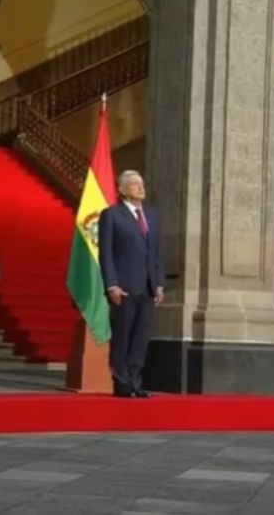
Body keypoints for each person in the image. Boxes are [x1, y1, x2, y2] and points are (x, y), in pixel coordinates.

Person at [98, 170, 165, 398]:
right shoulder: (111, 215)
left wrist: (158, 283)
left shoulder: (152, 216)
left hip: (147, 287)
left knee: (140, 337)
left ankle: (136, 380)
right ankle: (121, 381)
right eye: (134, 184)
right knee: (122, 336)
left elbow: (155, 253)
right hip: (123, 287)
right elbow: (105, 253)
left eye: (141, 183)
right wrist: (111, 285)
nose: (140, 187)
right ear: (122, 190)